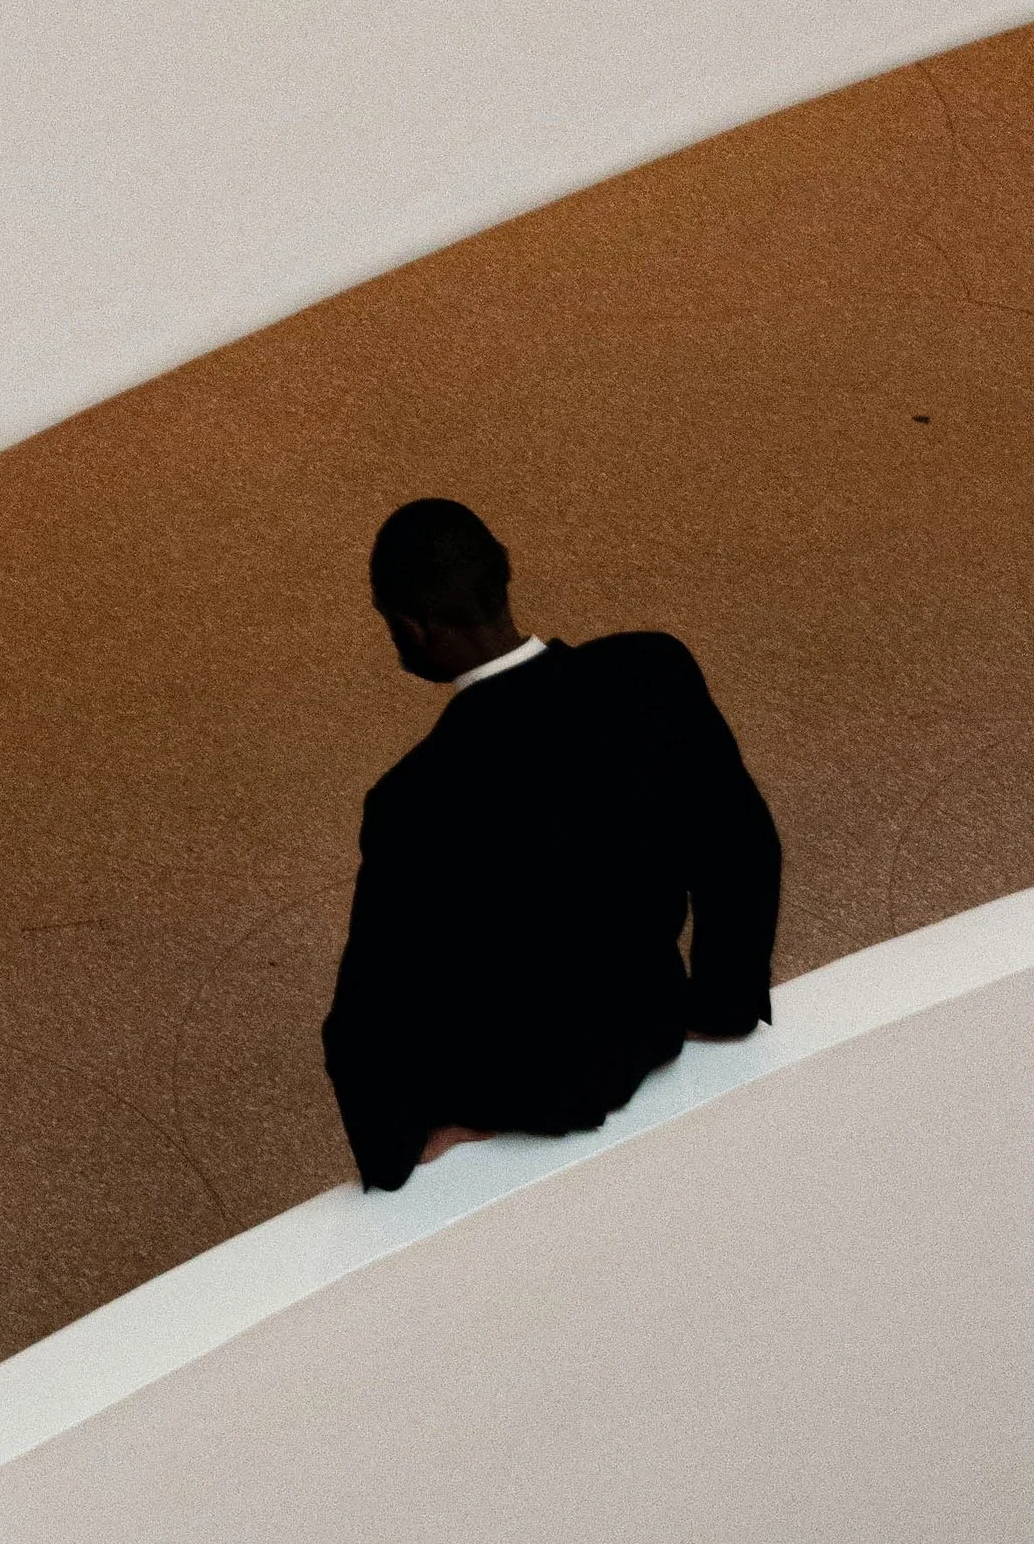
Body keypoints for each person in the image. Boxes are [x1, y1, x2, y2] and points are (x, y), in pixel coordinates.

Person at [323, 499, 781, 1191]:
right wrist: (725, 1005)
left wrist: (401, 1145)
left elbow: (372, 1011)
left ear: (410, 626)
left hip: (520, 1095)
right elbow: (741, 848)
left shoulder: (415, 796)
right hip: (651, 1027)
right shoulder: (651, 671)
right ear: (501, 579)